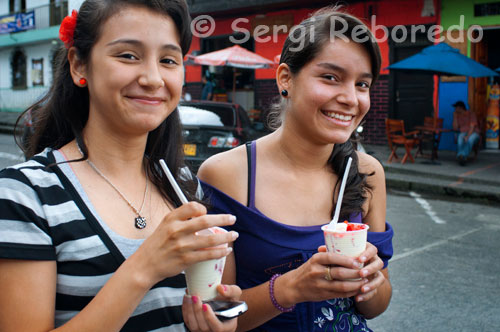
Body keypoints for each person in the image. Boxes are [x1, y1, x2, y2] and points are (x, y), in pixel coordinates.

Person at [0, 1, 241, 331]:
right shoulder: (25, 196)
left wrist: (219, 322)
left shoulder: (184, 187)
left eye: (168, 60)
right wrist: (144, 267)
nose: (153, 78)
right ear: (79, 65)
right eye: (128, 55)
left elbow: (215, 301)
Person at [198, 7, 393, 332]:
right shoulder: (226, 174)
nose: (350, 98)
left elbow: (376, 307)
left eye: (362, 84)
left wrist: (370, 279)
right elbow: (216, 317)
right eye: (331, 77)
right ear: (285, 78)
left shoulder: (367, 172)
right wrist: (290, 289)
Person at [452, 100, 480, 166]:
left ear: (460, 108)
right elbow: (455, 128)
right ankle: (462, 157)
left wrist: (468, 136)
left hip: (474, 132)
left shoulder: (471, 113)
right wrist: (455, 117)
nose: (455, 109)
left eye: (456, 108)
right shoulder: (458, 116)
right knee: (460, 138)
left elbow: (472, 126)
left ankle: (461, 156)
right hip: (463, 133)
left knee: (470, 139)